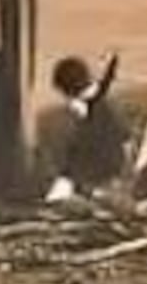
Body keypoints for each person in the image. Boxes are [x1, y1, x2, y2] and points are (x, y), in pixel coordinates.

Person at [36, 54, 130, 195]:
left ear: (60, 89)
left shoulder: (52, 122)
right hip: (109, 183)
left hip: (78, 184)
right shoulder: (111, 108)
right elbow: (126, 145)